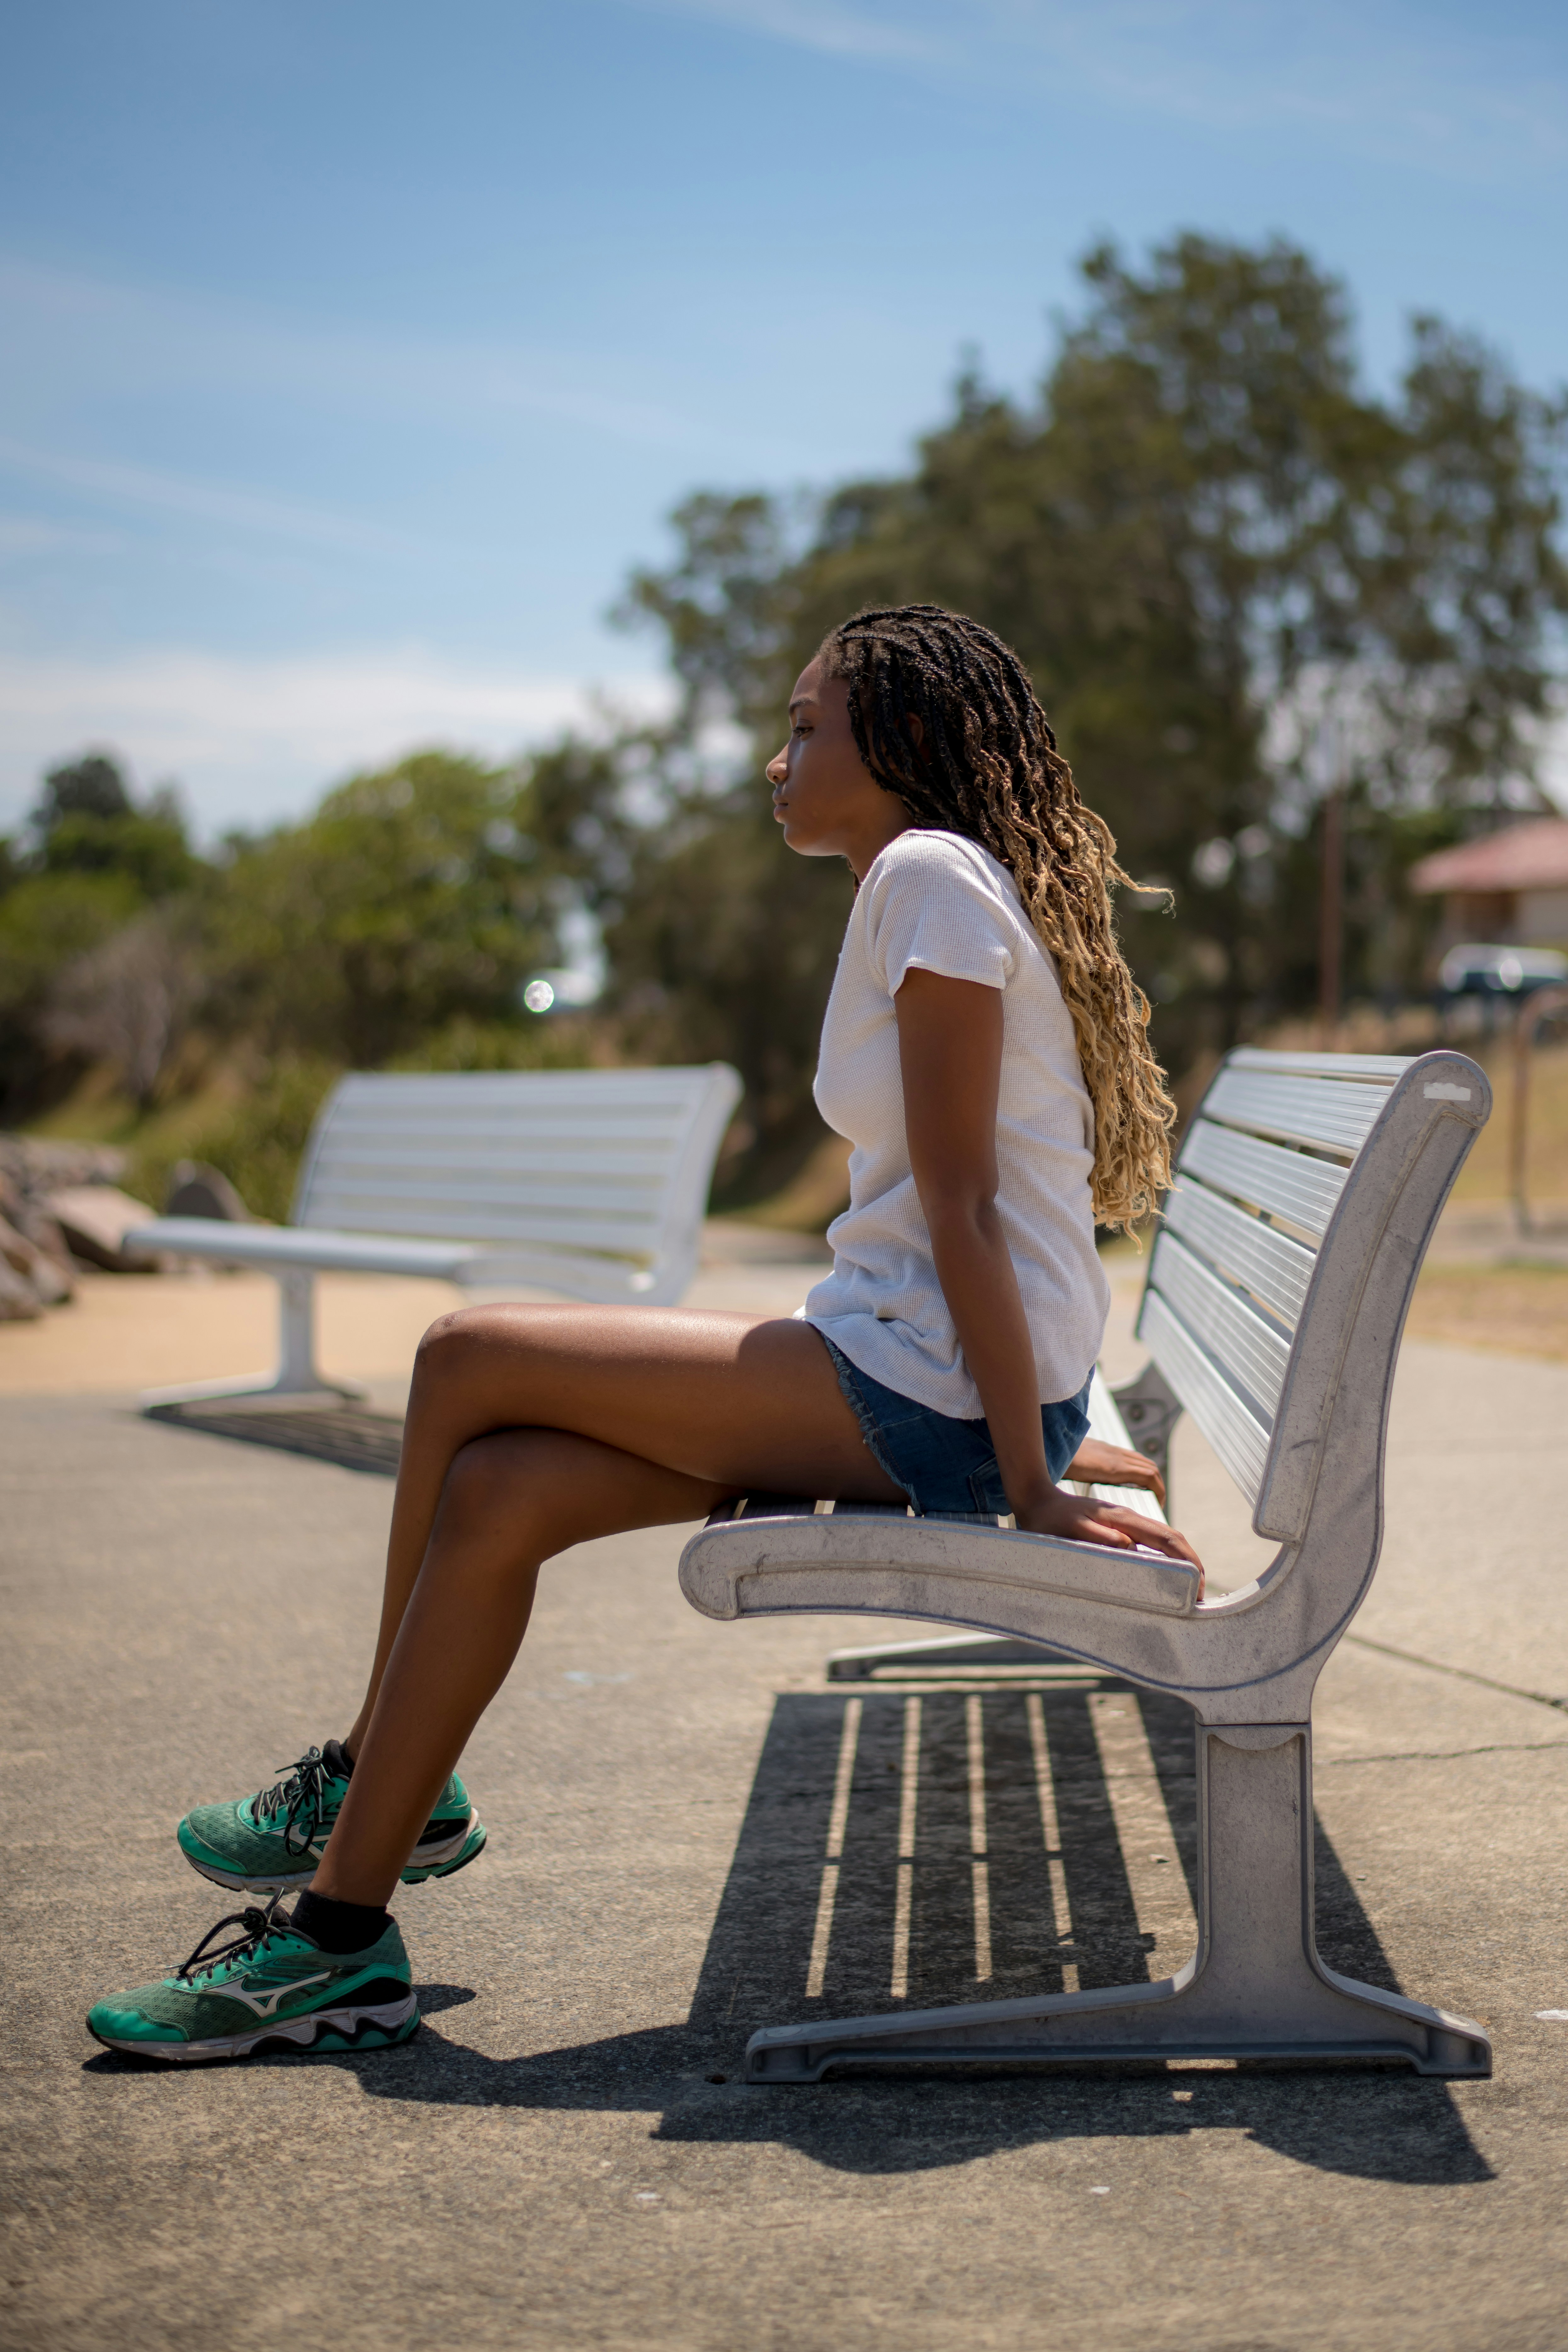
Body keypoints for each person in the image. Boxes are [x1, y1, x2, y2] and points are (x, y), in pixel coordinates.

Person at [87, 602, 1202, 2064]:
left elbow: (967, 1201)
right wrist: (1038, 1436)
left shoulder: (929, 878)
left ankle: (380, 1785)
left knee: (461, 1355)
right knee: (502, 1490)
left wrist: (1030, 1473)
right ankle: (344, 1942)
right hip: (920, 1374)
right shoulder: (931, 883)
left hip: (924, 1394)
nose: (774, 757)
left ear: (905, 745)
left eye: (808, 727)